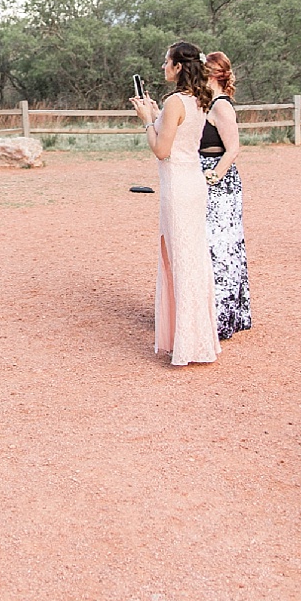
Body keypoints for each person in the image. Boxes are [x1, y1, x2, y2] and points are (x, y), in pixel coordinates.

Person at [130, 41, 221, 366]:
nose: (163, 67)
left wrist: (145, 119)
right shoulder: (198, 99)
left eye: (166, 62)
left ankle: (186, 343)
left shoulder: (174, 102)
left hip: (178, 188)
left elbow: (161, 149)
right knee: (193, 258)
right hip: (192, 183)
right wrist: (156, 114)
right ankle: (198, 337)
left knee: (180, 259)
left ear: (179, 66)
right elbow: (178, 133)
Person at [200, 51, 250, 339]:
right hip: (201, 176)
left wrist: (213, 176)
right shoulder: (205, 104)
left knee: (221, 246)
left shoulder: (222, 107)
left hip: (219, 182)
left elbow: (233, 148)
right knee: (207, 245)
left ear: (212, 74)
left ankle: (223, 315)